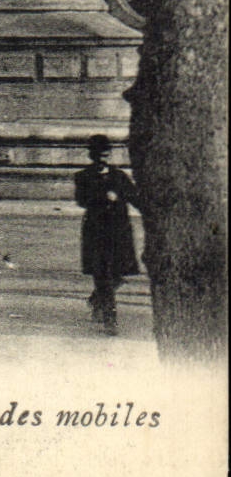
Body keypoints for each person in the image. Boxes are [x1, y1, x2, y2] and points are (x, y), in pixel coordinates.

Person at [74, 134, 140, 335]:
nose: (103, 158)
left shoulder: (120, 176)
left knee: (119, 275)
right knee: (102, 274)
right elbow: (81, 200)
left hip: (119, 232)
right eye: (99, 154)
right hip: (96, 231)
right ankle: (110, 320)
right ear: (91, 155)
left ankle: (96, 299)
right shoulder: (83, 176)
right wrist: (103, 196)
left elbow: (135, 198)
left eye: (106, 153)